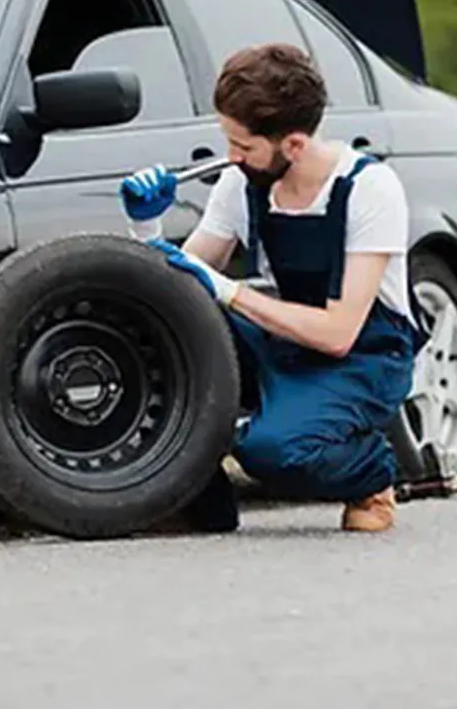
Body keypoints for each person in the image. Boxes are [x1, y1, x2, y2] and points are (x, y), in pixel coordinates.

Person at [119, 42, 427, 534]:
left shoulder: (369, 189)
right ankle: (197, 496)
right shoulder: (242, 182)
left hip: (362, 356)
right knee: (163, 324)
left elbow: (339, 333)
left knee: (276, 451)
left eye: (243, 147)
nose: (230, 157)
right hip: (286, 337)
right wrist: (147, 229)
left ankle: (372, 473)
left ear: (295, 145)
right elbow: (177, 288)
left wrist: (228, 292)